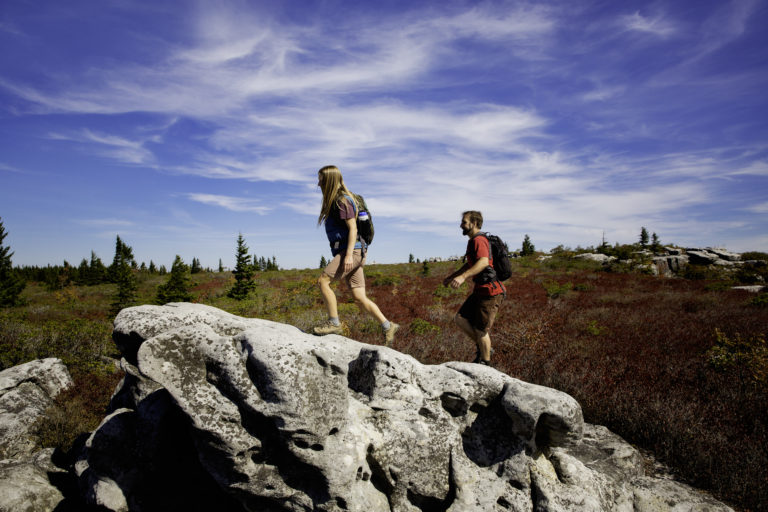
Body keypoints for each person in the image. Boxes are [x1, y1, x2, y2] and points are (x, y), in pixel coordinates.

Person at [312, 165, 399, 344]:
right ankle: (387, 326)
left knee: (323, 281)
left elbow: (353, 228)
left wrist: (350, 255)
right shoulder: (337, 201)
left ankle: (334, 323)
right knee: (359, 297)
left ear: (328, 180)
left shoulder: (341, 201)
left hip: (350, 251)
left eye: (320, 179)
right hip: (355, 252)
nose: (318, 183)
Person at [442, 211, 505, 365]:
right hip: (480, 290)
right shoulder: (472, 242)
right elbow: (470, 264)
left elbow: (483, 262)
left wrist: (463, 277)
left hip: (490, 291)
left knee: (481, 330)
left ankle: (485, 363)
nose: (461, 225)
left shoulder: (479, 240)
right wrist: (453, 276)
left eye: (464, 222)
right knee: (460, 319)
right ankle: (484, 348)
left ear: (474, 223)